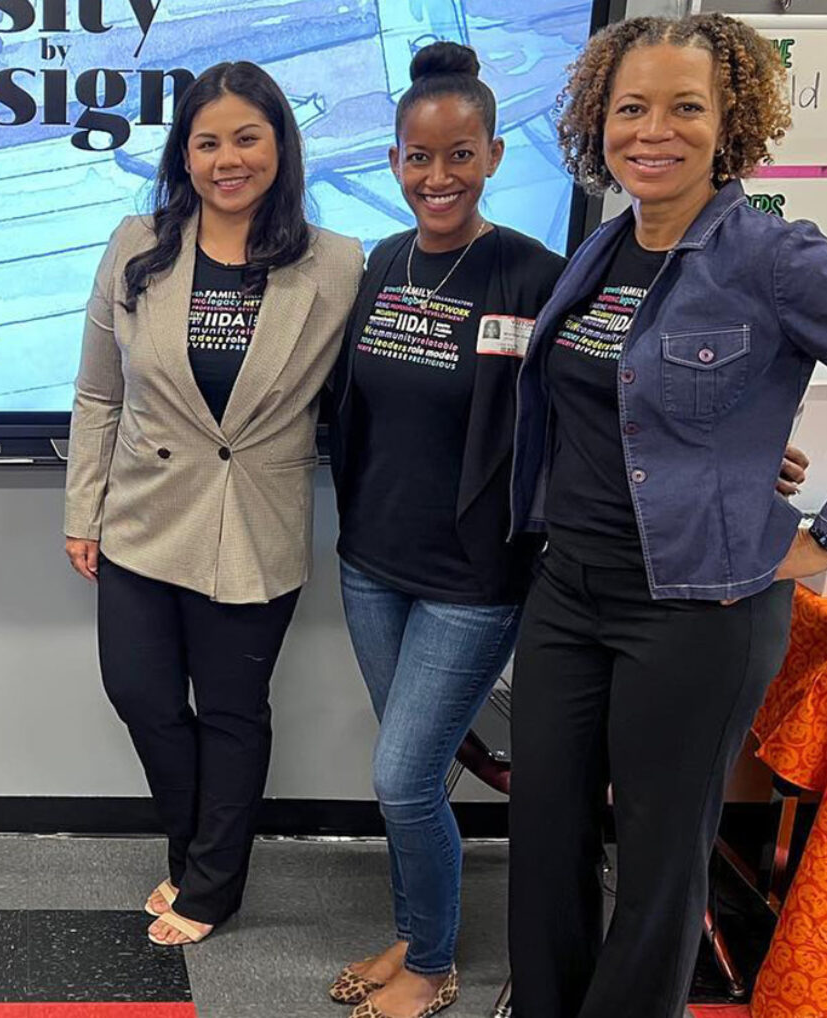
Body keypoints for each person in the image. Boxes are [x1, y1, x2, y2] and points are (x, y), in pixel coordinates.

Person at [504, 15, 827, 1018]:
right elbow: (619, 414)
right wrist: (734, 456)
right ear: (598, 120)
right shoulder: (603, 248)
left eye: (685, 107)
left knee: (658, 859)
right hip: (570, 587)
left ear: (731, 124)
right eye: (631, 108)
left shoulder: (774, 257)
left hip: (697, 608)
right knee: (544, 836)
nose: (654, 131)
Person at [62, 59, 364, 948]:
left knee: (233, 713)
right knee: (142, 696)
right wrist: (82, 512)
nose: (228, 160)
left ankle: (212, 885)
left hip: (257, 524)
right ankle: (195, 854)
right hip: (143, 515)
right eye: (207, 143)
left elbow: (363, 400)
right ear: (183, 155)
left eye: (247, 138)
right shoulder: (136, 244)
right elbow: (98, 393)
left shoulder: (338, 263)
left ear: (281, 145)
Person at [320, 41, 564, 1018]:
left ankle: (431, 962)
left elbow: (605, 394)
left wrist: (733, 450)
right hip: (371, 565)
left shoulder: (534, 274)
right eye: (419, 158)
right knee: (411, 776)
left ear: (494, 155)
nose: (439, 177)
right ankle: (417, 931)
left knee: (401, 776)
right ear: (394, 162)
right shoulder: (382, 263)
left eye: (460, 155)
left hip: (473, 578)